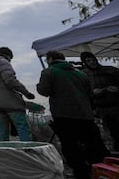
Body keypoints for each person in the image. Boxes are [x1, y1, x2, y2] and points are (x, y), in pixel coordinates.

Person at [37, 50, 108, 179]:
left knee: (70, 145)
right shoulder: (80, 73)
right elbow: (90, 94)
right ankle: (101, 170)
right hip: (85, 114)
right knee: (93, 144)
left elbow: (43, 91)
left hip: (63, 114)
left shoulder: (49, 71)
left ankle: (81, 172)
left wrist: (38, 86)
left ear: (50, 59)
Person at [0, 46, 35, 141]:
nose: (10, 61)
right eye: (10, 59)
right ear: (7, 56)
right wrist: (26, 93)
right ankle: (28, 150)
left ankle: (4, 151)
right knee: (22, 127)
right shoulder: (2, 62)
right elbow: (10, 81)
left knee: (3, 129)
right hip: (11, 102)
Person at [80, 51, 119, 150]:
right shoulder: (84, 75)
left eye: (93, 60)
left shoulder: (110, 70)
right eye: (88, 61)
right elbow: (83, 92)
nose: (92, 62)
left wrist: (116, 89)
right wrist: (92, 93)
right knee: (114, 132)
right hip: (102, 108)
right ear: (85, 62)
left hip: (116, 105)